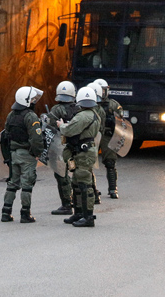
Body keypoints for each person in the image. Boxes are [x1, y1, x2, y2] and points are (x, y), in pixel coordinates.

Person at [1, 86, 44, 223]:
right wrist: (37, 153)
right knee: (27, 185)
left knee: (12, 184)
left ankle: (5, 212)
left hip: (13, 154)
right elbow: (36, 139)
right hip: (27, 155)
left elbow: (5, 136)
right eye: (32, 99)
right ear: (26, 100)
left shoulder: (11, 115)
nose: (34, 101)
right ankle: (25, 214)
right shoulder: (31, 116)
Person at [58, 86, 100, 227]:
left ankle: (88, 217)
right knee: (76, 183)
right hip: (83, 152)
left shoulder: (83, 115)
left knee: (84, 184)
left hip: (83, 153)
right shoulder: (94, 114)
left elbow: (69, 130)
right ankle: (79, 213)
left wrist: (61, 126)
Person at [44, 80, 76, 215]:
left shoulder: (56, 109)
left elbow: (49, 128)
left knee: (61, 175)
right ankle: (77, 201)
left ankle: (66, 204)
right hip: (76, 146)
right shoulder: (79, 108)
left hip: (61, 146)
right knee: (77, 173)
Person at [94, 78, 123, 199]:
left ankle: (112, 189)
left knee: (110, 162)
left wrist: (114, 120)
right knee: (88, 163)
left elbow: (122, 122)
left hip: (107, 135)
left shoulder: (113, 104)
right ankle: (92, 190)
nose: (103, 93)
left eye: (105, 90)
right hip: (94, 135)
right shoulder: (90, 104)